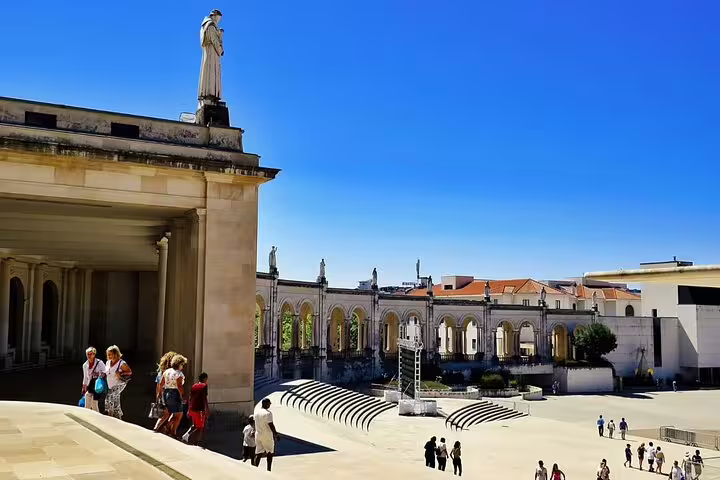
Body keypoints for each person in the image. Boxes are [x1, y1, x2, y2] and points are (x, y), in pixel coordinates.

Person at [158, 354, 187, 437]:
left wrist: (160, 394)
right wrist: (183, 396)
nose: (183, 367)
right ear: (179, 364)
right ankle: (171, 430)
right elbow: (179, 386)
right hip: (175, 394)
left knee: (170, 412)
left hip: (166, 393)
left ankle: (164, 429)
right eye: (182, 364)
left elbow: (161, 383)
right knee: (179, 414)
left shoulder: (167, 371)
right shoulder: (179, 374)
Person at [104, 345, 132, 419]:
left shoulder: (122, 363)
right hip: (110, 385)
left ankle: (110, 415)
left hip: (119, 384)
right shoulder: (107, 362)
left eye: (110, 354)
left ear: (116, 354)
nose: (109, 356)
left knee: (110, 397)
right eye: (108, 354)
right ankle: (117, 417)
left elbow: (129, 372)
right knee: (114, 399)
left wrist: (120, 374)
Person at [153, 351, 176, 433]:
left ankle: (163, 429)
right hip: (168, 394)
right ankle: (161, 428)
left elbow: (158, 385)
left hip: (162, 395)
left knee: (166, 413)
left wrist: (157, 396)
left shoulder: (161, 372)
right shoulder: (171, 372)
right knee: (171, 413)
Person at [183, 372, 209, 446]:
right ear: (205, 379)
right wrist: (206, 409)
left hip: (192, 408)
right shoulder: (204, 386)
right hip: (199, 409)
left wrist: (188, 409)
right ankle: (196, 442)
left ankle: (186, 435)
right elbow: (204, 398)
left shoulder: (194, 386)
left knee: (194, 425)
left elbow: (190, 397)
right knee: (200, 427)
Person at [253, 398, 278, 471]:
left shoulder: (256, 413)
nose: (269, 405)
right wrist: (276, 434)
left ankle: (254, 468)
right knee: (269, 452)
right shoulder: (268, 413)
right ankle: (269, 469)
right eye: (269, 403)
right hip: (267, 435)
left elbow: (255, 424)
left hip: (258, 435)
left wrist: (254, 431)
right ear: (265, 404)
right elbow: (271, 425)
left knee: (258, 452)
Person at [81, 347, 106, 413]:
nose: (89, 356)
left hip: (97, 384)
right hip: (90, 384)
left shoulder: (99, 362)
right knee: (87, 399)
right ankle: (86, 414)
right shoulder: (85, 365)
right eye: (88, 354)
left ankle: (97, 417)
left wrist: (98, 373)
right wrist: (84, 386)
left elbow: (105, 372)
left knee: (94, 403)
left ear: (94, 354)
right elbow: (85, 377)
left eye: (91, 354)